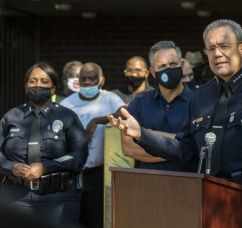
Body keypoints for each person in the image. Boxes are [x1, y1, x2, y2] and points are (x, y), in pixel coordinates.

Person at [109, 19, 242, 227]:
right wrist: (141, 135)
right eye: (211, 48)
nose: (217, 54)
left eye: (224, 46)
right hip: (215, 204)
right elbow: (184, 149)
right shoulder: (200, 97)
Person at [0, 62, 88, 227]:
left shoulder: (67, 117)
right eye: (32, 81)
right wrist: (11, 166)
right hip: (16, 198)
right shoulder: (11, 117)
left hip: (58, 198)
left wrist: (46, 166)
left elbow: (79, 155)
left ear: (53, 88)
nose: (37, 85)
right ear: (26, 86)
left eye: (43, 81)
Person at [60, 62, 124, 228]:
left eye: (92, 78)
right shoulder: (66, 104)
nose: (87, 82)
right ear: (78, 80)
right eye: (84, 78)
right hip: (72, 174)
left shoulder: (109, 98)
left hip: (98, 174)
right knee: (73, 219)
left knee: (97, 219)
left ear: (101, 79)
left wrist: (97, 120)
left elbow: (125, 112)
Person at [122, 41, 197, 172]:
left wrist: (145, 135)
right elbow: (129, 148)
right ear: (152, 71)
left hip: (187, 187)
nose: (168, 69)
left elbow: (196, 147)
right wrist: (178, 149)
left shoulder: (199, 102)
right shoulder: (139, 102)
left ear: (182, 64)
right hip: (147, 186)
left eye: (173, 64)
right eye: (162, 66)